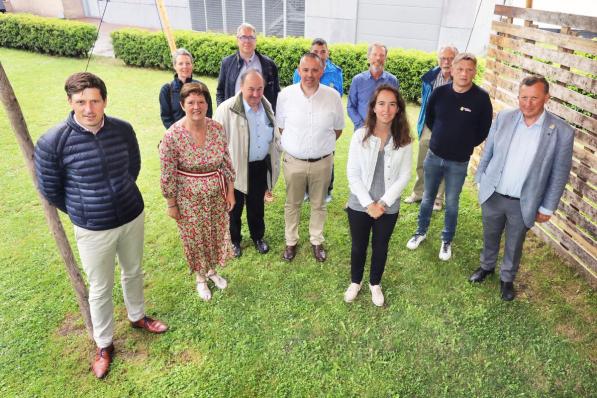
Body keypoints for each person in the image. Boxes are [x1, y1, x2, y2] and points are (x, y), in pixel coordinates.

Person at [34, 72, 168, 379]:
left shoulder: (123, 129)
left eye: (95, 101)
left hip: (131, 215)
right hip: (93, 227)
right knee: (100, 287)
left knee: (133, 270)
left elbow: (132, 167)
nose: (89, 109)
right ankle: (105, 344)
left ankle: (137, 316)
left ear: (104, 101)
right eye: (81, 102)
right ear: (70, 102)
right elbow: (51, 190)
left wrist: (118, 196)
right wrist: (86, 209)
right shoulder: (53, 142)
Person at [469, 75, 574, 301]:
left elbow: (559, 174)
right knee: (490, 234)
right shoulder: (504, 117)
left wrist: (547, 207)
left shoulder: (562, 132)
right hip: (494, 194)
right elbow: (489, 150)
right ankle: (486, 267)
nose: (527, 103)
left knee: (515, 243)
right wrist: (481, 178)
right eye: (523, 97)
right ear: (518, 97)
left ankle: (507, 279)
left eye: (534, 98)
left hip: (524, 201)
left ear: (547, 97)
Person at [406, 53, 492, 261]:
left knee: (452, 202)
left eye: (469, 70)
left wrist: (463, 144)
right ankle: (420, 232)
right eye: (460, 69)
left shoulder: (481, 98)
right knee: (427, 197)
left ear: (474, 72)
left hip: (459, 161)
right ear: (452, 70)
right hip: (434, 157)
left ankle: (446, 240)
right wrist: (442, 139)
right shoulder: (439, 93)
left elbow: (483, 129)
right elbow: (431, 118)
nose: (464, 73)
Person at [159, 82, 236, 301]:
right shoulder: (173, 136)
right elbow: (167, 174)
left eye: (201, 102)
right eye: (191, 102)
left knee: (214, 233)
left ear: (207, 104)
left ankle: (212, 271)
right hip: (187, 199)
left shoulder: (217, 128)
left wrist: (230, 191)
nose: (196, 107)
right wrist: (171, 204)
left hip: (216, 195)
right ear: (182, 105)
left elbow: (226, 162)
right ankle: (200, 278)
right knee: (195, 238)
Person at [344, 84, 412, 306]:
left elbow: (404, 176)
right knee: (358, 245)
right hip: (360, 204)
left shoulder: (404, 139)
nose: (386, 109)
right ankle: (356, 281)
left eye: (392, 104)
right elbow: (353, 174)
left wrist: (382, 203)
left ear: (398, 109)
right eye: (381, 104)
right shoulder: (360, 136)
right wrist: (368, 203)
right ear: (373, 108)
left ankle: (375, 283)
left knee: (381, 246)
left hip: (387, 206)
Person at [276, 53, 344, 262]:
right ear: (298, 71)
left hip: (322, 162)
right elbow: (281, 126)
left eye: (315, 70)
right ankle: (291, 242)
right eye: (305, 70)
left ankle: (316, 240)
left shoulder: (332, 96)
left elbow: (338, 129)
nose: (310, 75)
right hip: (293, 162)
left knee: (319, 204)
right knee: (292, 203)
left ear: (322, 71)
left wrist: (318, 146)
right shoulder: (286, 95)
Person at [213, 69, 281, 258]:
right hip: (234, 169)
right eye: (251, 89)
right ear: (241, 87)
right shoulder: (226, 109)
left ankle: (258, 237)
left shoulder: (267, 107)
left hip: (259, 166)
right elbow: (217, 143)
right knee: (233, 208)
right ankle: (235, 241)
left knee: (256, 206)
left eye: (260, 89)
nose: (256, 94)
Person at [404, 45, 459, 211]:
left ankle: (437, 198)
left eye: (450, 58)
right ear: (438, 59)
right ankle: (418, 192)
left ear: (456, 60)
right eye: (443, 58)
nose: (446, 61)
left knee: (443, 162)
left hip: (449, 128)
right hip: (429, 124)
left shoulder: (460, 79)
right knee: (423, 160)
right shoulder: (430, 78)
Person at [293, 37, 343, 203]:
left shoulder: (335, 72)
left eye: (323, 51)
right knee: (306, 155)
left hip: (326, 122)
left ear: (328, 52)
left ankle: (327, 190)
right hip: (305, 120)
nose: (320, 55)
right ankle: (306, 190)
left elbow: (338, 96)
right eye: (316, 51)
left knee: (327, 155)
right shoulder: (300, 70)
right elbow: (296, 94)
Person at [216, 22, 280, 111]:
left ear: (255, 40)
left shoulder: (268, 64)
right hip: (234, 115)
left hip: (260, 116)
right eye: (243, 37)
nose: (247, 41)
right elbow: (220, 92)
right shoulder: (227, 63)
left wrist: (271, 115)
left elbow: (276, 93)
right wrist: (223, 112)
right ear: (237, 40)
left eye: (251, 37)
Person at [347, 42, 399, 130]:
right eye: (374, 54)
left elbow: (396, 107)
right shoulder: (358, 80)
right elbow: (351, 106)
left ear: (385, 58)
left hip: (385, 131)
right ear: (368, 57)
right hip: (362, 131)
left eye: (382, 55)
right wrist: (361, 126)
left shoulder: (393, 81)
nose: (378, 58)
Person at [159, 48, 213, 129]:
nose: (185, 66)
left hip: (199, 133)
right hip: (176, 136)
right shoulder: (166, 90)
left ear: (192, 65)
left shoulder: (201, 87)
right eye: (180, 64)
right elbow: (166, 118)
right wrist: (179, 134)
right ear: (175, 66)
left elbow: (208, 114)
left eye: (188, 63)